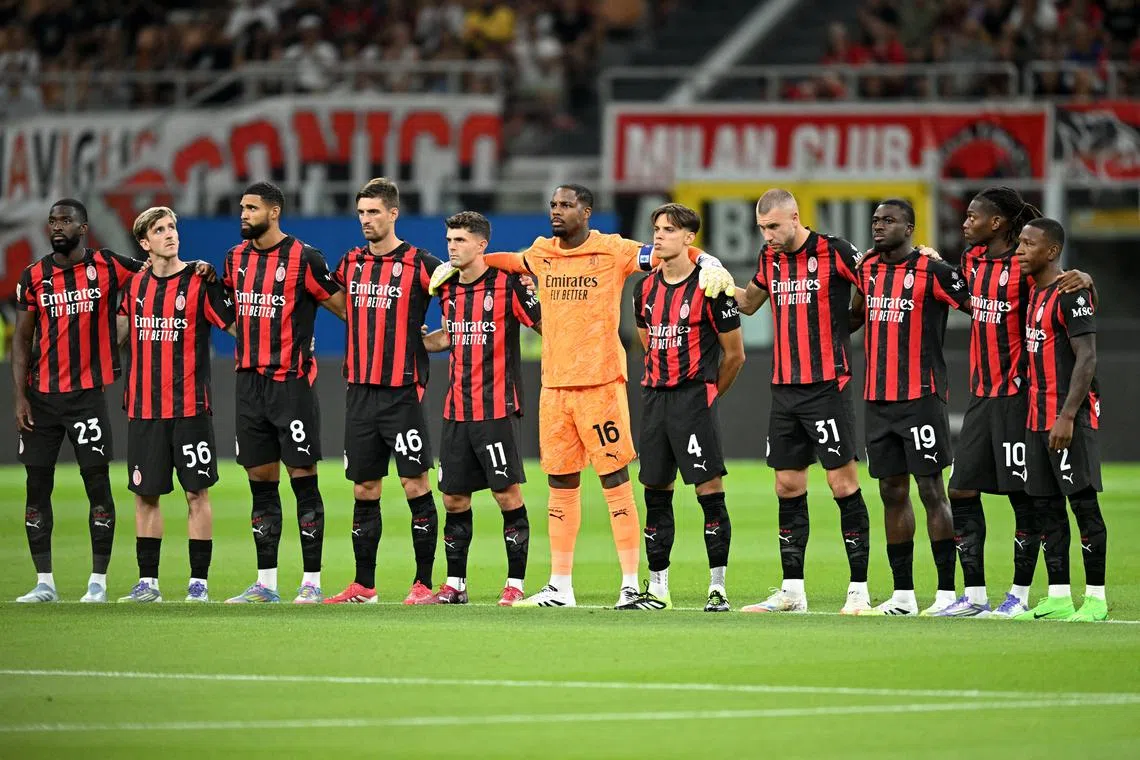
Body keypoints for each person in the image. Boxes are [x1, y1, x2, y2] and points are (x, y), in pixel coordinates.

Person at [429, 184, 734, 608]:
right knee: (560, 482)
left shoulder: (614, 249)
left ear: (586, 211)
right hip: (554, 388)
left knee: (614, 480)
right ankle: (560, 585)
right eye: (553, 204)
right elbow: (510, 261)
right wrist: (463, 263)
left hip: (601, 385)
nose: (557, 211)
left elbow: (668, 250)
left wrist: (709, 260)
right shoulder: (541, 253)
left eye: (566, 205)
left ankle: (630, 582)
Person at [938, 187, 1093, 617]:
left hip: (1018, 396)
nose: (965, 222)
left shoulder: (1024, 265)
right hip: (981, 394)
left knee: (1024, 497)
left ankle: (1020, 595)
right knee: (961, 488)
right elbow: (968, 300)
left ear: (998, 223)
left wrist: (1085, 278)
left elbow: (1060, 287)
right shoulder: (971, 262)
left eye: (973, 216)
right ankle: (973, 595)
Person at [733, 189, 874, 615]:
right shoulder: (769, 257)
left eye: (774, 226)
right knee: (787, 485)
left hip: (827, 385)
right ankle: (792, 591)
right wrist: (717, 282)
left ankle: (859, 591)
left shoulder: (835, 250)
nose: (768, 235)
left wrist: (851, 319)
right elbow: (750, 304)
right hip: (784, 388)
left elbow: (875, 288)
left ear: (795, 217)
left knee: (842, 483)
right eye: (762, 228)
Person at [13, 198, 145, 603]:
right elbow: (21, 339)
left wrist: (197, 269)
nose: (57, 226)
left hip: (87, 397)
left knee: (98, 487)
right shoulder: (34, 276)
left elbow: (159, 273)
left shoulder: (109, 264)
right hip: (42, 398)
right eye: (52, 220)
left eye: (66, 220)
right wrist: (20, 396)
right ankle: (45, 583)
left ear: (84, 228)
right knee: (37, 489)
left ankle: (97, 583)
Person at [222, 181, 347, 604]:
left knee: (303, 481)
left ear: (274, 212)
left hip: (290, 386)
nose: (243, 214)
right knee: (261, 483)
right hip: (248, 386)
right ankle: (266, 583)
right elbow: (225, 307)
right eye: (241, 207)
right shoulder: (234, 258)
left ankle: (311, 582)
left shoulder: (304, 258)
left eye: (251, 208)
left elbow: (345, 308)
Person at [322, 178, 444, 605]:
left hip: (402, 392)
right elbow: (331, 298)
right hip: (359, 391)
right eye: (361, 213)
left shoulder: (421, 262)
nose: (366, 221)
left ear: (393, 213)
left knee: (415, 484)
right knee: (364, 489)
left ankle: (424, 583)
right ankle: (364, 586)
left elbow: (463, 298)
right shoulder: (350, 262)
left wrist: (435, 340)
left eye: (373, 212)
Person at [850, 200, 971, 616]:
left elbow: (982, 305)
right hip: (877, 399)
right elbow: (852, 316)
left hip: (921, 397)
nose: (879, 227)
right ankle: (902, 594)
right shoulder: (866, 269)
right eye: (875, 220)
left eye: (889, 221)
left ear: (910, 227)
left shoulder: (934, 271)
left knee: (931, 490)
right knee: (890, 491)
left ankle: (945, 593)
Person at [624, 203, 744, 612]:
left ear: (689, 239)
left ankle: (718, 588)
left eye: (669, 230)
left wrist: (709, 394)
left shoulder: (712, 286)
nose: (658, 236)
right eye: (656, 228)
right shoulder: (644, 288)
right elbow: (646, 337)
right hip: (654, 399)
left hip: (694, 400)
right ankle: (657, 589)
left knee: (709, 492)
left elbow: (735, 355)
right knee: (655, 492)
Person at [421, 211, 543, 606]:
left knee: (507, 495)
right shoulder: (447, 288)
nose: (452, 247)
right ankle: (455, 584)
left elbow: (546, 325)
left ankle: (515, 585)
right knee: (454, 499)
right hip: (456, 409)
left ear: (481, 245)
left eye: (460, 240)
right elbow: (448, 338)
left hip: (496, 408)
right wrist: (423, 340)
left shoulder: (508, 285)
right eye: (450, 240)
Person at [116, 207, 235, 603]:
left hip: (189, 409)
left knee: (196, 493)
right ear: (145, 243)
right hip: (144, 410)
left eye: (172, 227)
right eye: (159, 230)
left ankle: (198, 583)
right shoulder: (134, 288)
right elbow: (115, 334)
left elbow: (235, 326)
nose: (170, 234)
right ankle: (148, 583)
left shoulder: (199, 282)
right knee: (145, 495)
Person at [1014, 218, 1107, 622]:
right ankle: (1057, 596)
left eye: (1028, 244)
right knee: (1045, 508)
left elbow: (1087, 357)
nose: (1019, 251)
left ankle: (1097, 599)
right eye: (1018, 243)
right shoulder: (1036, 292)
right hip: (1037, 417)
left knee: (1083, 506)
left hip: (1067, 418)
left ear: (1051, 252)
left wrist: (1068, 415)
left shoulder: (1071, 293)